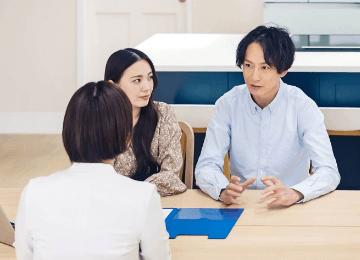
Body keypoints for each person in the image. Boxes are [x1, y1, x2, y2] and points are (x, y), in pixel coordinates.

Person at [14, 81, 171, 260]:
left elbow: (24, 255)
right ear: (127, 136)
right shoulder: (144, 195)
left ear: (68, 132)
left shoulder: (33, 191)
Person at [195, 25, 340, 208]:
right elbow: (206, 165)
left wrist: (295, 193)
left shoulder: (303, 107)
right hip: (241, 206)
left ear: (283, 70)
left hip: (290, 206)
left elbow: (328, 171)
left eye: (264, 67)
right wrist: (223, 190)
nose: (254, 76)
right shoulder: (228, 104)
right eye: (248, 65)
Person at [105, 48, 187, 196]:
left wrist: (135, 192)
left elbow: (171, 174)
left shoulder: (163, 113)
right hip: (112, 204)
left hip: (155, 203)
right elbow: (96, 177)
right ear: (113, 85)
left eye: (149, 77)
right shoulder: (99, 119)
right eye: (137, 80)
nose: (147, 87)